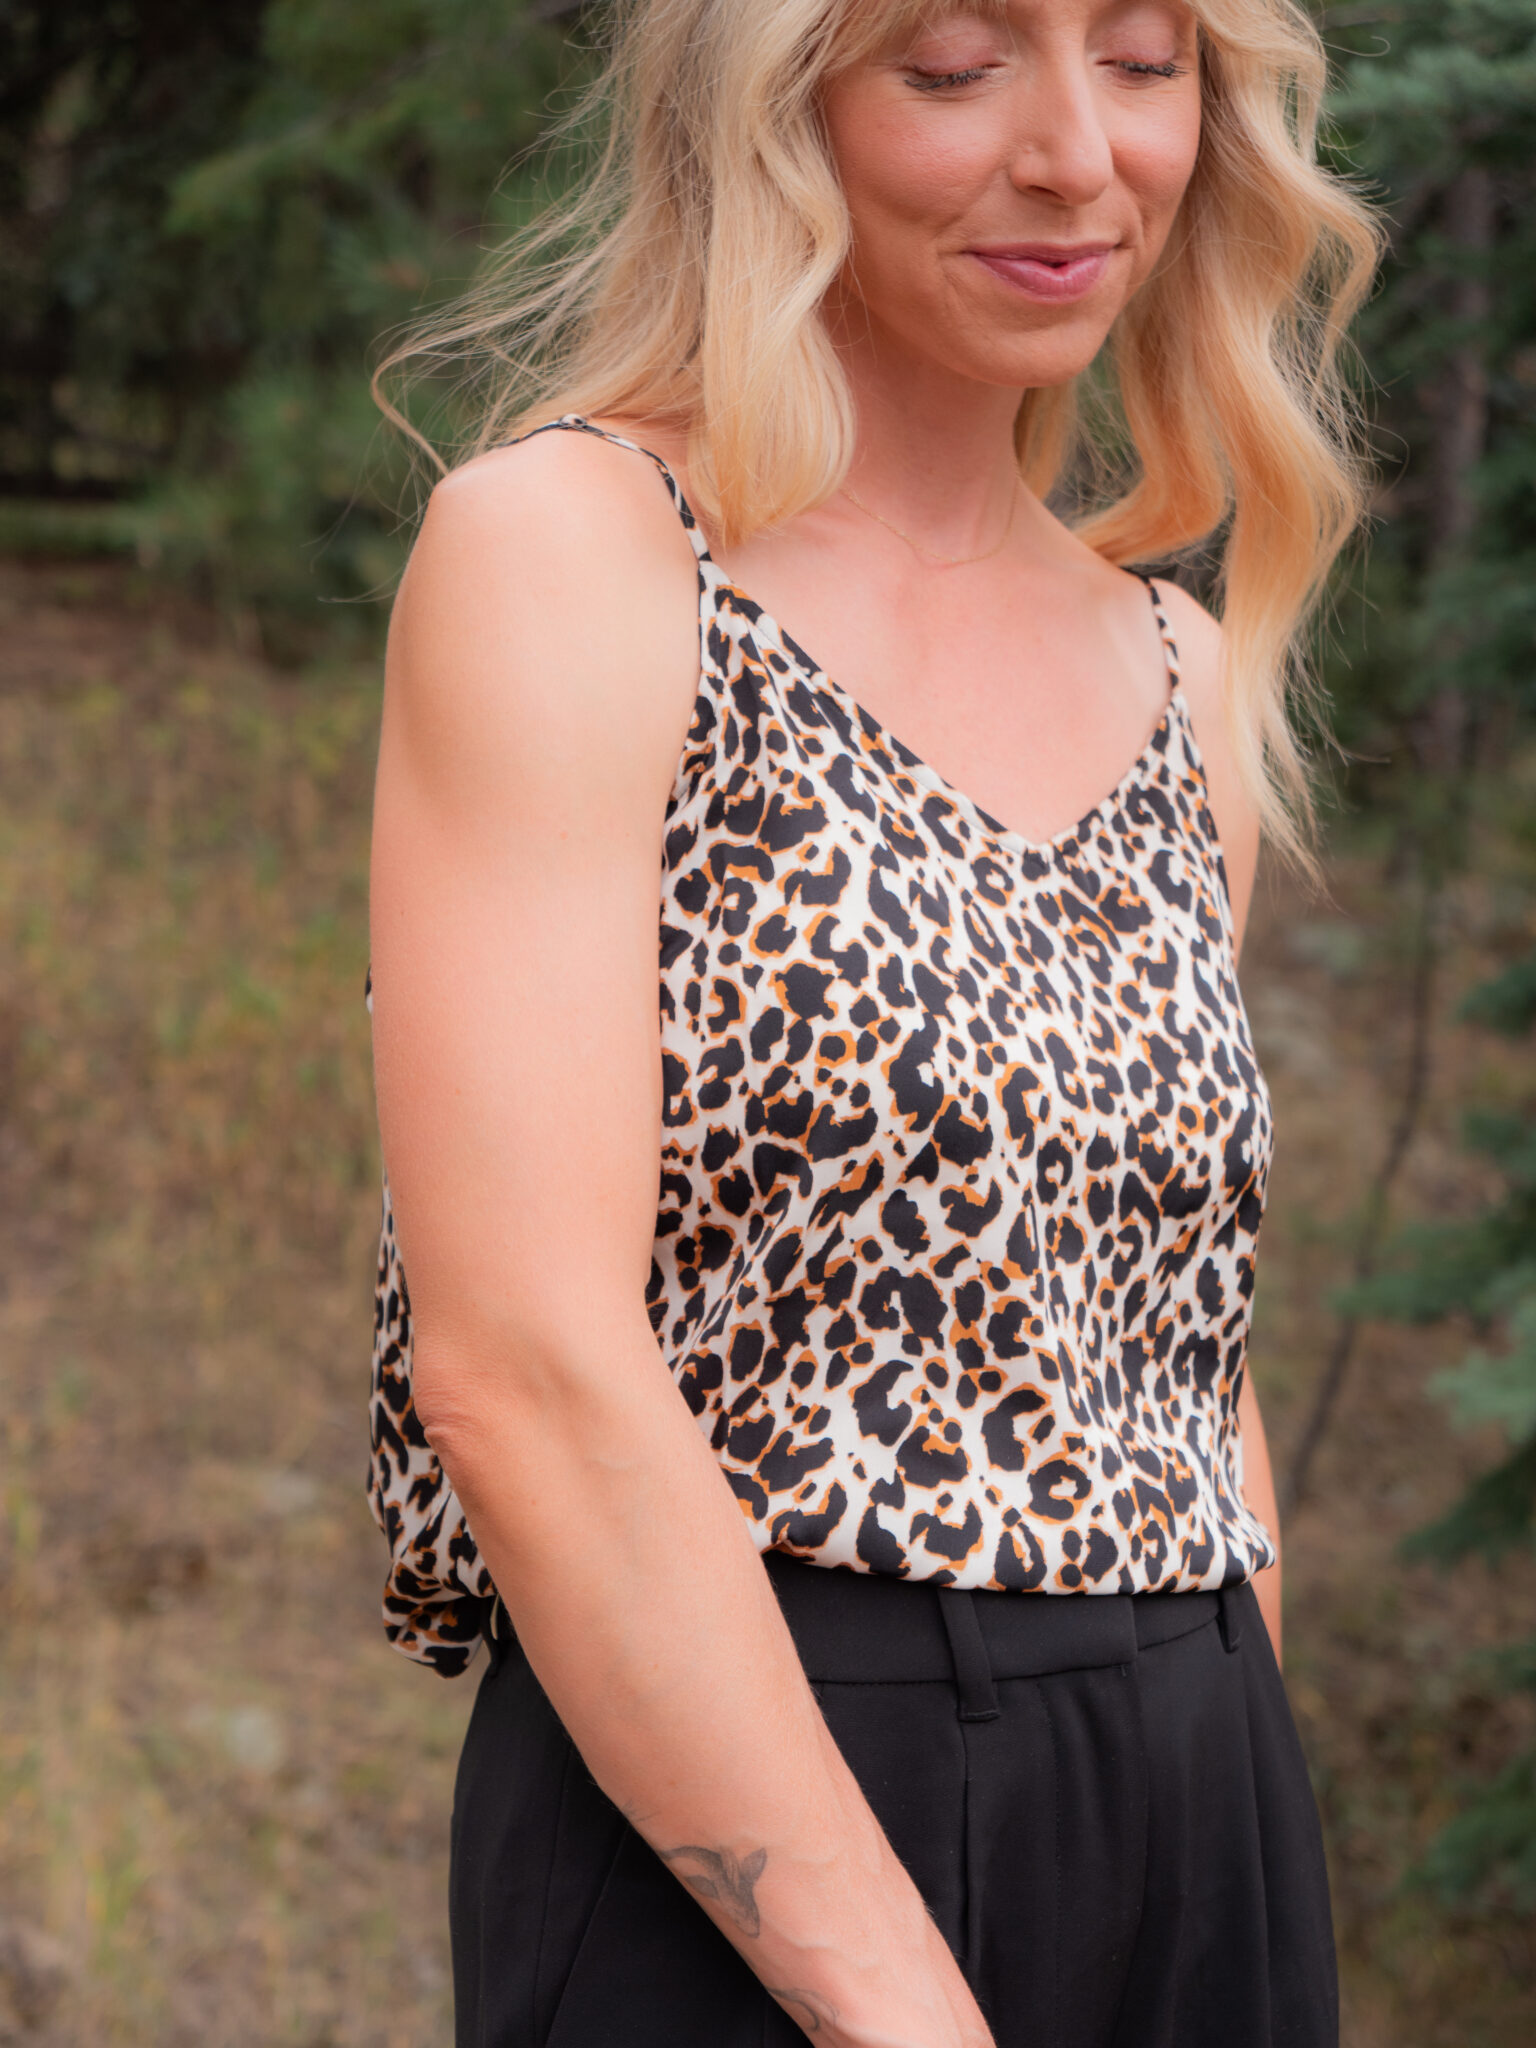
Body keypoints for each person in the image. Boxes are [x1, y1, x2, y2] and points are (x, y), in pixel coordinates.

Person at [365, 2, 1381, 2043]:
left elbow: (1178, 1347)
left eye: (1147, 60)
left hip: (1197, 1793)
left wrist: (1232, 1804)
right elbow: (524, 1368)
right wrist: (896, 2004)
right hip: (749, 1802)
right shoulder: (577, 562)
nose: (1081, 155)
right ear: (771, 111)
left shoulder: (1172, 664)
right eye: (953, 65)